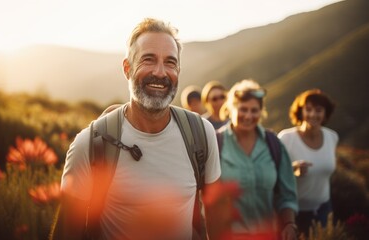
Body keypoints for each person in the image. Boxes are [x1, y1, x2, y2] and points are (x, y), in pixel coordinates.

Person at [57, 18, 221, 240]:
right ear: (127, 68)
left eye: (170, 62)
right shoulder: (89, 145)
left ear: (178, 70)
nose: (161, 72)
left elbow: (217, 218)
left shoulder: (201, 134)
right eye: (148, 59)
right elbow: (67, 233)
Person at [216, 79, 298, 240]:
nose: (248, 116)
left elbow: (287, 194)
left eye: (254, 110)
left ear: (261, 112)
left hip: (269, 235)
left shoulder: (273, 144)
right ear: (231, 109)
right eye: (243, 109)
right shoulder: (217, 143)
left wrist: (289, 224)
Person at [278, 89, 338, 236]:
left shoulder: (332, 137)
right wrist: (292, 170)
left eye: (318, 110)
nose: (313, 115)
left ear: (325, 113)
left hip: (324, 210)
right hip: (292, 213)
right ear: (301, 111)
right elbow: (273, 172)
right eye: (308, 109)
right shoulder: (286, 138)